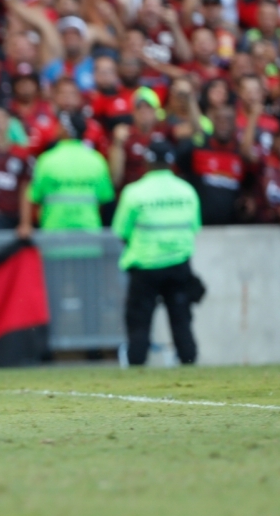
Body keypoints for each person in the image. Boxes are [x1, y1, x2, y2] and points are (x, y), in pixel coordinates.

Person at [112, 140, 201, 366]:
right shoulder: (186, 191)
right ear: (171, 163)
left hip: (145, 265)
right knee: (181, 320)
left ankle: (137, 365)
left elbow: (121, 230)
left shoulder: (134, 192)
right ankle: (189, 364)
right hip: (179, 265)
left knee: (139, 322)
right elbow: (194, 227)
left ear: (146, 161)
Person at [19, 111, 114, 237]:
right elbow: (105, 199)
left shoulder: (47, 160)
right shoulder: (97, 160)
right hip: (89, 232)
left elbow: (33, 196)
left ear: (65, 129)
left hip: (54, 231)